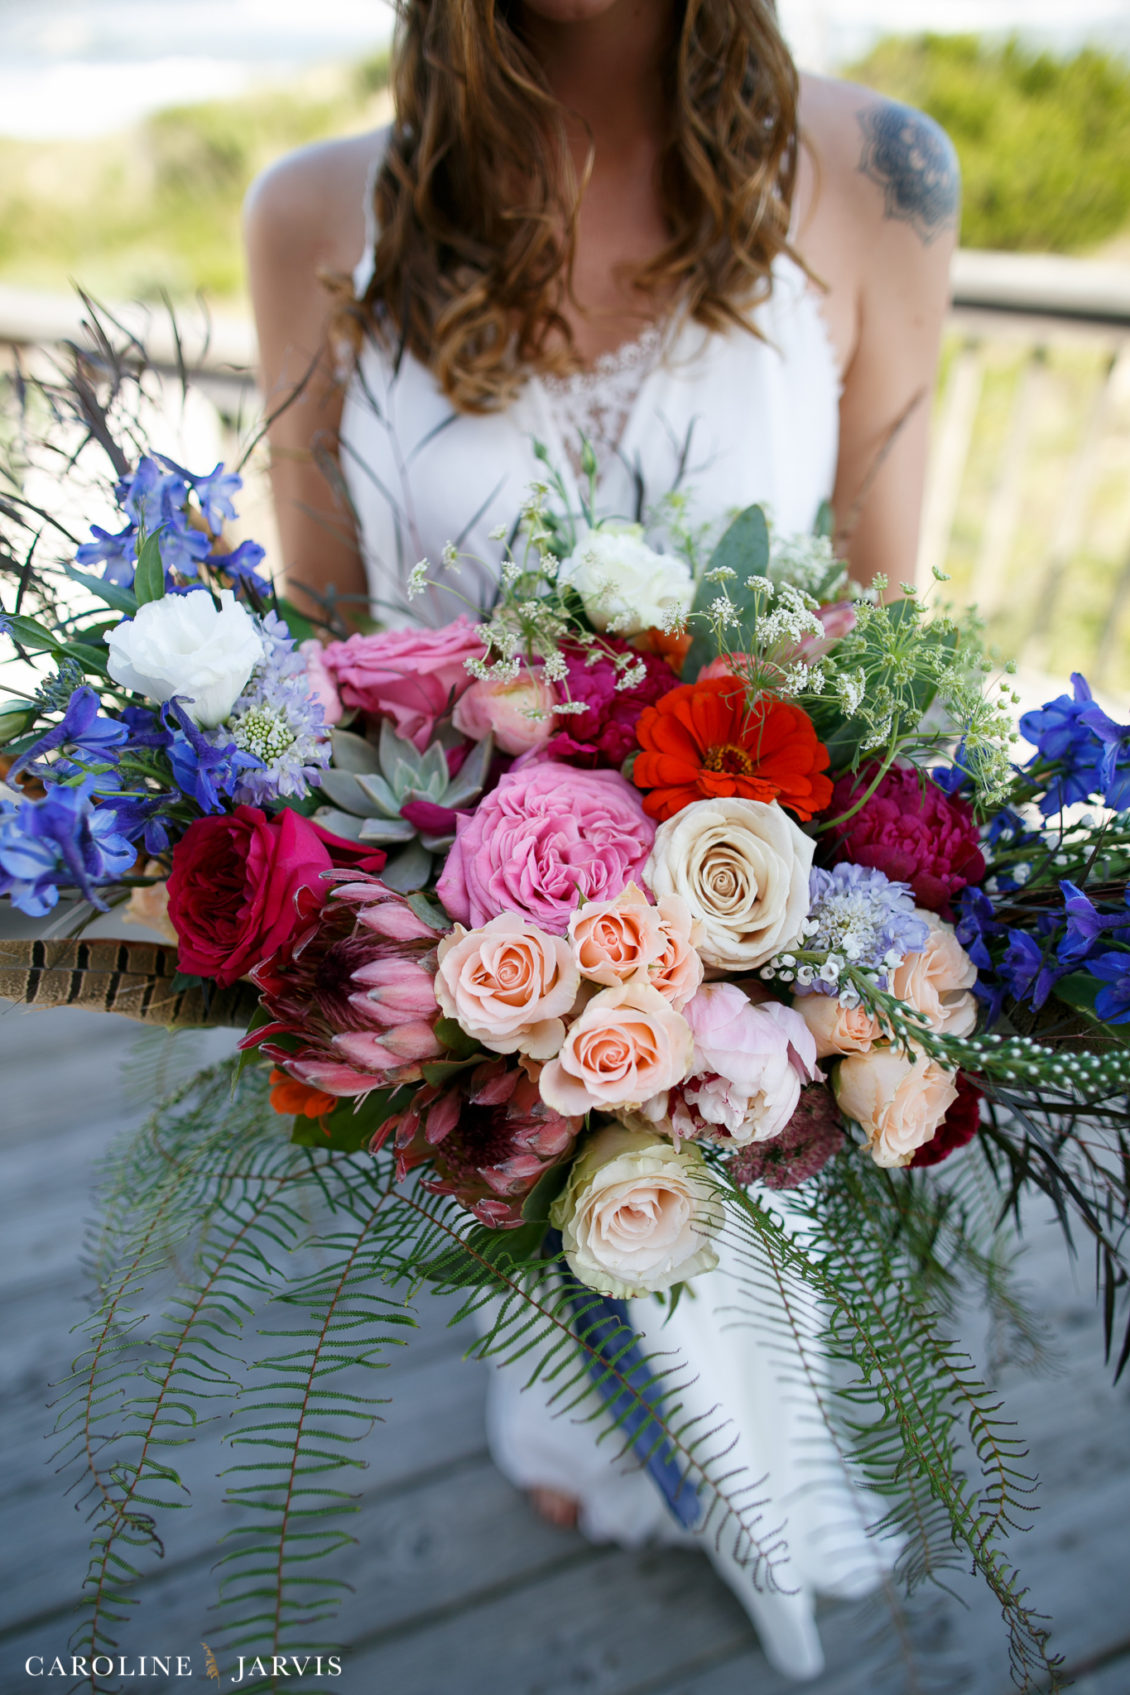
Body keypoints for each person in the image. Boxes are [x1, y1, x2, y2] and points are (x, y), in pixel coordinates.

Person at [244, 0, 959, 1677]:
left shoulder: (880, 173)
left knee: (742, 1196)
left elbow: (876, 614)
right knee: (546, 1228)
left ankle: (735, 1487)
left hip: (751, 878)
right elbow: (323, 639)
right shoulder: (314, 214)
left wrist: (778, 922)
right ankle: (575, 1429)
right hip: (470, 934)